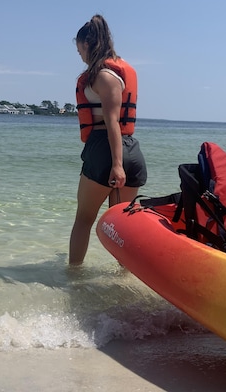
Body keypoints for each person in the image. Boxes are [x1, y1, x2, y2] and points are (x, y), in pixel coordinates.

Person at [68, 15, 147, 266]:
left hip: (106, 150)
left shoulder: (103, 76)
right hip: (130, 149)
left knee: (84, 219)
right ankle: (123, 281)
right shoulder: (118, 71)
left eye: (79, 48)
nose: (79, 54)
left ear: (88, 44)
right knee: (124, 225)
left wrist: (116, 164)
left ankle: (74, 276)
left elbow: (112, 121)